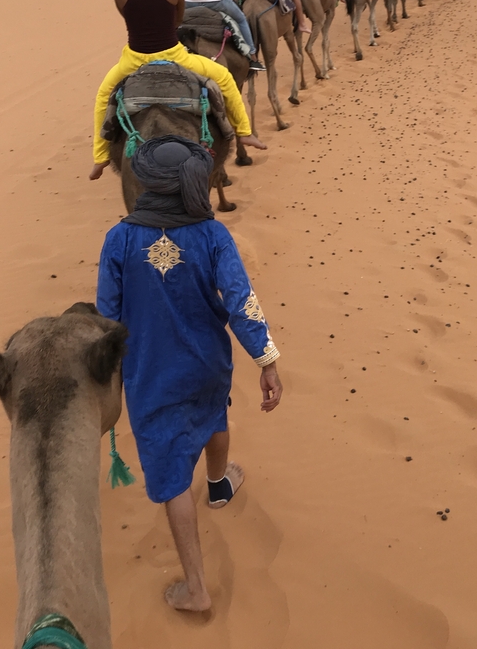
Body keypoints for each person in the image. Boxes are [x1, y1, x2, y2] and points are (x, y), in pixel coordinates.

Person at [97, 135, 282, 612]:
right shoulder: (213, 234)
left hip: (151, 372)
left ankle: (196, 588)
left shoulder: (119, 239)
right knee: (214, 414)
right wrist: (267, 360)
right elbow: (241, 302)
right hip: (208, 363)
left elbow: (107, 316)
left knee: (171, 470)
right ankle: (219, 485)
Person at [90, 0, 266, 181]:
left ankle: (101, 157)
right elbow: (177, 19)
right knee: (226, 79)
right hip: (174, 55)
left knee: (104, 96)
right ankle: (244, 132)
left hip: (133, 60)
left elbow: (127, 15)